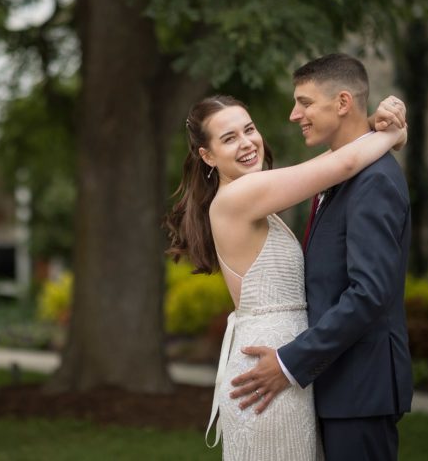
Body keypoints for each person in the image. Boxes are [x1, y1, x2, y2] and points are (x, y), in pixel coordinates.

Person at [164, 84, 406, 460]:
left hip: (284, 368)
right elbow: (340, 165)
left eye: (249, 129)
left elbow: (340, 157)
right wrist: (393, 132)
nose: (247, 143)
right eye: (229, 138)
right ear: (207, 156)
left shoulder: (250, 195)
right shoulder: (240, 197)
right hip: (267, 374)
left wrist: (372, 125)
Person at [228, 53, 413, 461]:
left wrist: (291, 362)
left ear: (343, 102)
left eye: (305, 102)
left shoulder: (374, 181)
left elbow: (368, 293)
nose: (295, 114)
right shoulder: (343, 173)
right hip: (339, 386)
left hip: (362, 389)